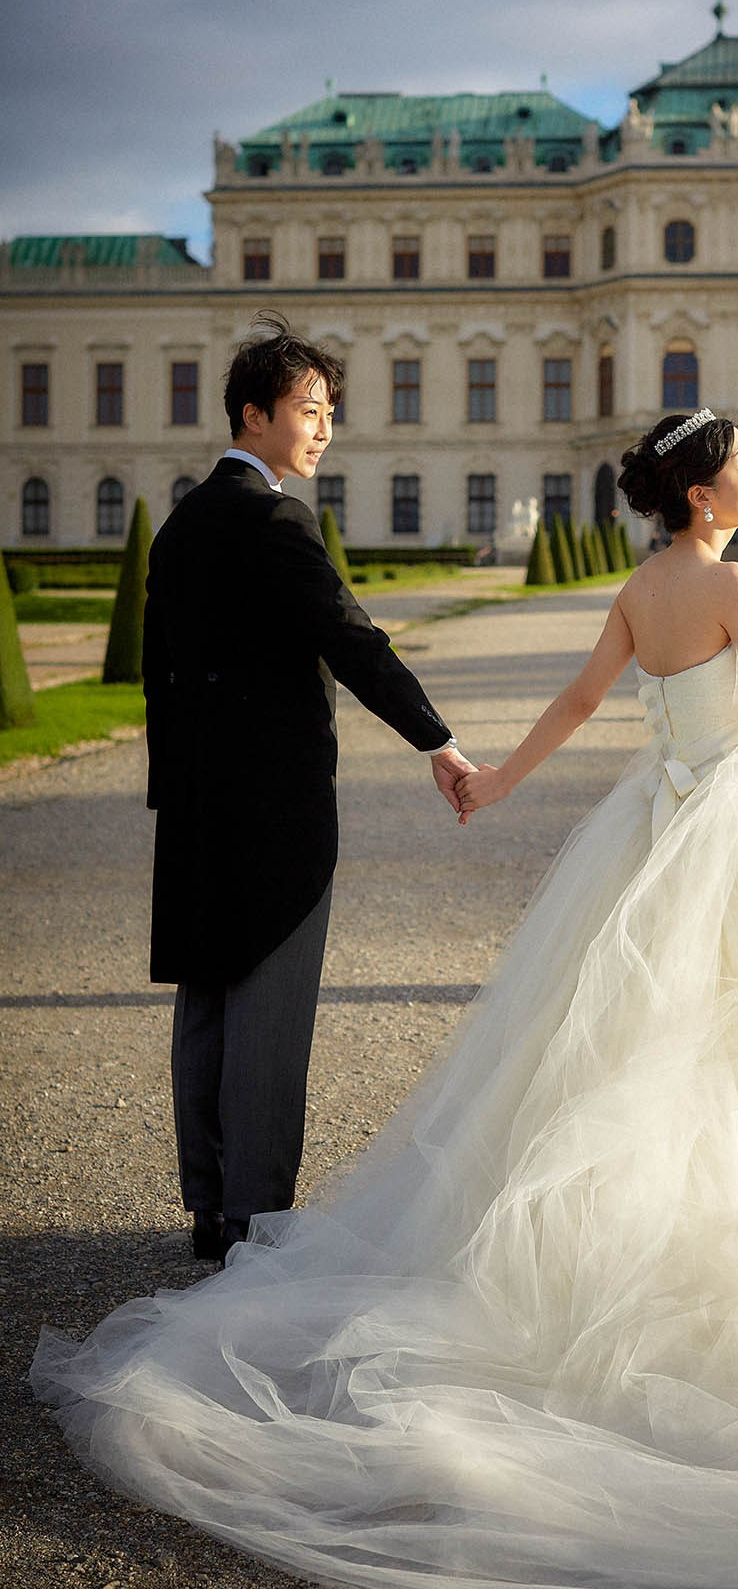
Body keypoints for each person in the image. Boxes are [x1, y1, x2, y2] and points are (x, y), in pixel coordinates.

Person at [32, 410, 738, 1588]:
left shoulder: (641, 588)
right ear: (701, 495)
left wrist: (492, 782)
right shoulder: (734, 591)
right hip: (730, 834)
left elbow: (585, 704)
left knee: (614, 1041)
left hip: (650, 834)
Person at [140, 312, 472, 1265]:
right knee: (269, 1013)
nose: (324, 428)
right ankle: (257, 1219)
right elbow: (350, 636)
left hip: (197, 805)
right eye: (309, 410)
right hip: (273, 809)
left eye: (330, 412)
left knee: (207, 1000)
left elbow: (157, 676)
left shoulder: (180, 524)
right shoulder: (276, 517)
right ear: (254, 415)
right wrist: (435, 740)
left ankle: (209, 1207)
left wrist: (177, 789)